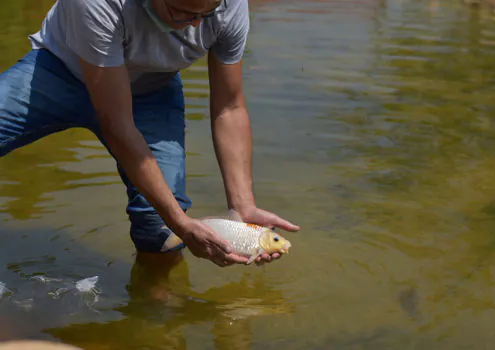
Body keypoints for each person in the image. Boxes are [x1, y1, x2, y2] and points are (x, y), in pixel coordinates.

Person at [0, 0, 300, 267]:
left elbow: (230, 107)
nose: (195, 24)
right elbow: (117, 124)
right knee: (174, 220)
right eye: (181, 11)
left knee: (161, 230)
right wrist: (182, 222)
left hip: (150, 90)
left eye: (205, 14)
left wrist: (242, 207)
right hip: (59, 71)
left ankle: (158, 313)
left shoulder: (230, 5)